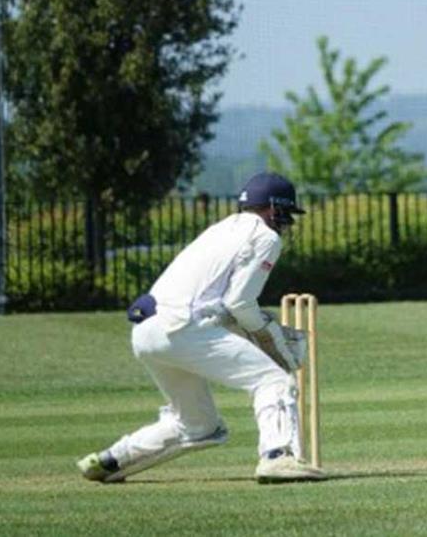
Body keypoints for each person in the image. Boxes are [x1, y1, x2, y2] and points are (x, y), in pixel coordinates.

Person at [76, 172, 325, 483]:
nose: (286, 224)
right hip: (182, 327)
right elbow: (240, 302)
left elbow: (216, 302)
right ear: (274, 209)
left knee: (199, 426)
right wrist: (269, 335)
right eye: (286, 215)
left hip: (146, 331)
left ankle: (113, 459)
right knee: (273, 380)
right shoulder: (265, 236)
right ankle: (278, 457)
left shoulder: (220, 230)